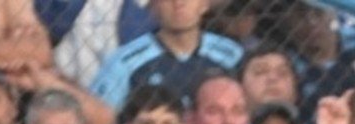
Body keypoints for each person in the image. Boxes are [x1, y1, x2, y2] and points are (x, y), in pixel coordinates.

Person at [89, 0, 243, 110]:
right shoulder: (124, 62)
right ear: (154, 6)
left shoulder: (232, 55)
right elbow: (102, 120)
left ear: (204, 4)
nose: (178, 3)